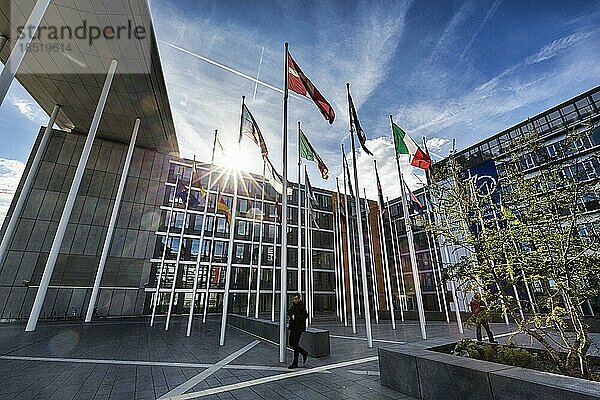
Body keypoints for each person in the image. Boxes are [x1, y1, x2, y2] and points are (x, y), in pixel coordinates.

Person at [288, 292, 309, 369]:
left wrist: (295, 317)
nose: (295, 300)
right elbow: (289, 311)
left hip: (298, 328)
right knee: (291, 343)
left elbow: (305, 316)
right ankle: (304, 353)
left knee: (295, 344)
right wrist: (292, 315)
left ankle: (295, 362)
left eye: (296, 299)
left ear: (299, 298)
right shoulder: (294, 304)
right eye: (294, 299)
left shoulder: (302, 305)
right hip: (293, 327)